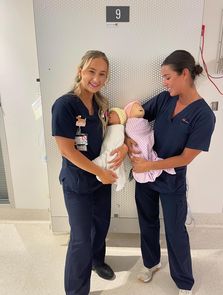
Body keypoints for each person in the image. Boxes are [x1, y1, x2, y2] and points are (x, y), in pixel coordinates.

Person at [126, 50, 216, 295]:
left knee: (176, 230)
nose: (164, 83)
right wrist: (127, 139)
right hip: (146, 177)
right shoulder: (165, 99)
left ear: (184, 73)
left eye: (167, 77)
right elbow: (135, 118)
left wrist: (148, 166)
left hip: (171, 180)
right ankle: (151, 264)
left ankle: (184, 282)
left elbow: (186, 157)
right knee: (147, 221)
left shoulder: (203, 115)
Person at [51, 50, 128, 295]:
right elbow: (67, 150)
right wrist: (100, 172)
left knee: (101, 226)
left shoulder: (101, 104)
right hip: (78, 182)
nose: (96, 78)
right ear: (80, 71)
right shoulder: (65, 105)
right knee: (80, 239)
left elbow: (110, 135)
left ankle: (97, 261)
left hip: (100, 180)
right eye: (91, 71)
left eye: (102, 74)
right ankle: (76, 291)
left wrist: (125, 147)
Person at [124, 100, 176, 182]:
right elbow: (134, 134)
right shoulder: (129, 124)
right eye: (136, 106)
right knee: (140, 158)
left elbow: (147, 132)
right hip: (137, 149)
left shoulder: (144, 122)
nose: (140, 107)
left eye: (140, 106)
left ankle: (152, 167)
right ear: (128, 112)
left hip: (148, 147)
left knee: (150, 156)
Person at [93, 107, 127, 191]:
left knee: (112, 163)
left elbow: (115, 143)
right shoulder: (108, 128)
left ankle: (120, 179)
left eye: (113, 113)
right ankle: (120, 179)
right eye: (109, 113)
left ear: (120, 117)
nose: (110, 114)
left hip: (111, 152)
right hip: (106, 151)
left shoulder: (119, 129)